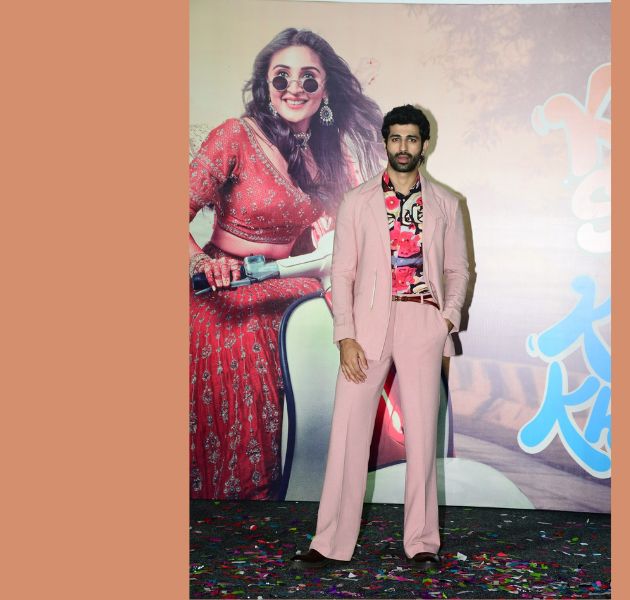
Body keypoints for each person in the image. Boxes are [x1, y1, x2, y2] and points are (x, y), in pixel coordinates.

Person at [189, 28, 384, 500]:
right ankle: (245, 503)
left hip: (292, 286)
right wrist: (200, 262)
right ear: (266, 86)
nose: (294, 88)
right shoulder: (234, 136)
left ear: (325, 89)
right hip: (226, 291)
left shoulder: (328, 154)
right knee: (253, 342)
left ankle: (315, 493)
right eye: (282, 78)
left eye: (308, 79)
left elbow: (343, 232)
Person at [293, 105, 470, 570]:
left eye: (411, 139)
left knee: (423, 438)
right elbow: (342, 271)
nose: (403, 147)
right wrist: (345, 336)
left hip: (422, 323)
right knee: (348, 432)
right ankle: (329, 542)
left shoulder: (447, 203)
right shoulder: (357, 201)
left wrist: (446, 320)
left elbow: (458, 270)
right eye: (395, 138)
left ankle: (422, 541)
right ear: (385, 142)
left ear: (424, 144)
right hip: (366, 328)